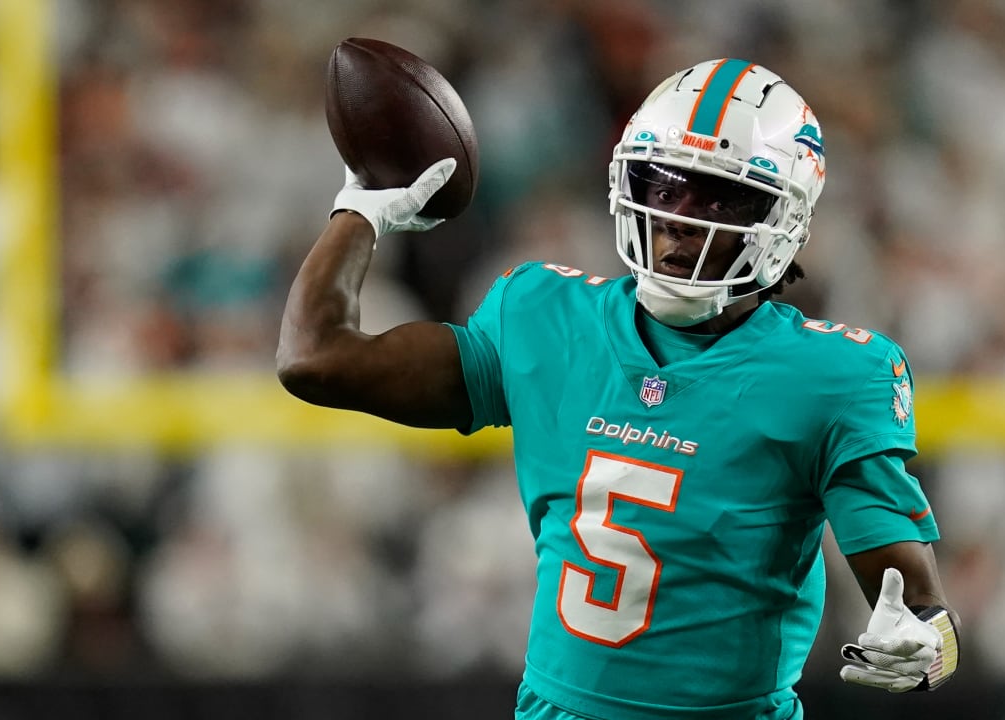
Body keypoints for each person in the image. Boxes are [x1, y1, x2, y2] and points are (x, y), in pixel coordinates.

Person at [278, 58, 959, 720]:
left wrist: (926, 646)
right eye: (664, 186)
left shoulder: (834, 375)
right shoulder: (541, 315)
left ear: (785, 219)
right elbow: (316, 358)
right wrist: (361, 210)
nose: (683, 216)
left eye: (721, 196)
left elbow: (919, 608)